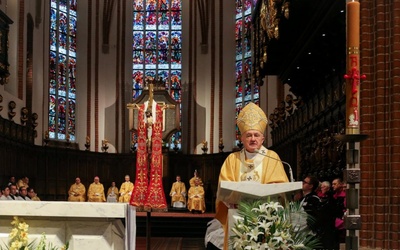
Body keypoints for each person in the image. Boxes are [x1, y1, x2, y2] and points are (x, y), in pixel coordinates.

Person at [206, 102, 289, 250]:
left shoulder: (272, 157)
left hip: (265, 217)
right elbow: (223, 188)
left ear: (262, 139)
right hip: (237, 215)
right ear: (242, 139)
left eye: (256, 135)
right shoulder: (232, 159)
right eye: (248, 135)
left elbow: (280, 188)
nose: (252, 139)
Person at [332, 178, 346, 246]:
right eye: (332, 184)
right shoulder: (334, 196)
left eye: (335, 184)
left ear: (340, 184)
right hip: (334, 224)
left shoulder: (344, 196)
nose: (333, 186)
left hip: (341, 224)